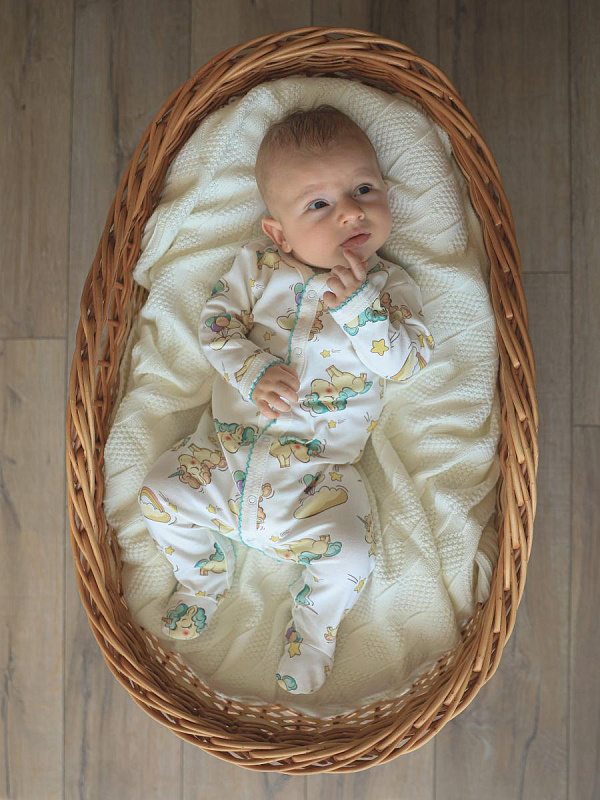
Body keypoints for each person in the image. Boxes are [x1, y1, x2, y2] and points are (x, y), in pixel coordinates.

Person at [137, 104, 435, 695]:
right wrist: (253, 372)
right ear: (278, 233)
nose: (350, 211)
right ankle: (202, 577)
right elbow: (216, 327)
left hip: (316, 484)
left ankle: (313, 634)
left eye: (364, 189)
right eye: (318, 204)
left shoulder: (389, 288)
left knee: (351, 553)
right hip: (221, 461)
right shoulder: (258, 269)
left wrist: (361, 312)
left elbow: (405, 362)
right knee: (159, 492)